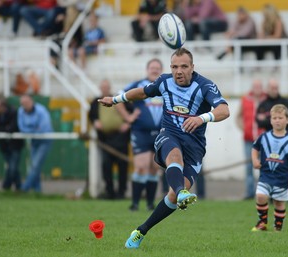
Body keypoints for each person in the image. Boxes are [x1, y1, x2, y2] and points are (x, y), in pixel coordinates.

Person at [98, 47, 230, 248]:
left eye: (184, 66)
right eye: (175, 66)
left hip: (194, 146)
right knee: (174, 156)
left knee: (172, 196)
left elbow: (224, 110)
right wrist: (115, 100)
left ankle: (141, 230)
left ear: (192, 67)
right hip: (169, 135)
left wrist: (202, 118)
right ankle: (181, 191)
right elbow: (142, 92)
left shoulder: (205, 85)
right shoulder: (164, 81)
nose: (179, 71)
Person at [116, 58, 164, 211]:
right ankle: (135, 203)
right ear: (147, 69)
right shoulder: (138, 85)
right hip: (141, 132)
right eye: (152, 68)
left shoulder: (166, 86)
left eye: (157, 68)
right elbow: (118, 98)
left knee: (154, 168)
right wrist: (127, 117)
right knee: (141, 167)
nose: (154, 70)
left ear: (161, 70)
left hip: (161, 133)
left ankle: (150, 204)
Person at [251, 104, 288, 232]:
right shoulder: (264, 137)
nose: (277, 120)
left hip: (281, 178)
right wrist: (255, 160)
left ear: (287, 120)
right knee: (260, 196)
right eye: (274, 118)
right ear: (270, 120)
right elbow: (255, 148)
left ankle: (278, 226)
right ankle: (262, 222)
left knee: (279, 203)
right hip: (265, 175)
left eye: (280, 118)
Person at [88, 79, 136, 200]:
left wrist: (128, 124)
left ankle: (121, 192)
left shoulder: (119, 99)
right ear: (100, 88)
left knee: (123, 167)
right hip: (105, 139)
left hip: (121, 138)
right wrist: (95, 122)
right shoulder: (95, 102)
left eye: (107, 87)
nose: (105, 89)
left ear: (110, 88)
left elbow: (132, 112)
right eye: (103, 87)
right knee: (106, 166)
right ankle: (109, 192)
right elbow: (91, 116)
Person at [236, 79, 267, 200]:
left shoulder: (267, 100)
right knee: (249, 167)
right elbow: (238, 116)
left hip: (264, 140)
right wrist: (243, 128)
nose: (257, 89)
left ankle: (262, 192)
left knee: (263, 167)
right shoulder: (245, 100)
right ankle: (249, 193)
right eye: (255, 87)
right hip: (248, 139)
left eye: (259, 87)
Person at [17, 94, 53, 192]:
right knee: (34, 166)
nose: (24, 105)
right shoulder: (21, 111)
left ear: (31, 101)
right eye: (22, 104)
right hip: (34, 140)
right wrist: (34, 130)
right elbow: (22, 128)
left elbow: (44, 128)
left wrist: (30, 130)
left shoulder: (41, 110)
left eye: (26, 103)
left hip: (45, 140)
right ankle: (37, 191)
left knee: (35, 165)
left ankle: (24, 189)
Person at [0, 97, 25, 191]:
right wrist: (5, 128)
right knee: (12, 168)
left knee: (12, 168)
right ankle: (19, 188)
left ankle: (6, 187)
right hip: (4, 146)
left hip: (15, 145)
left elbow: (12, 128)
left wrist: (3, 129)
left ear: (3, 107)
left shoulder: (13, 112)